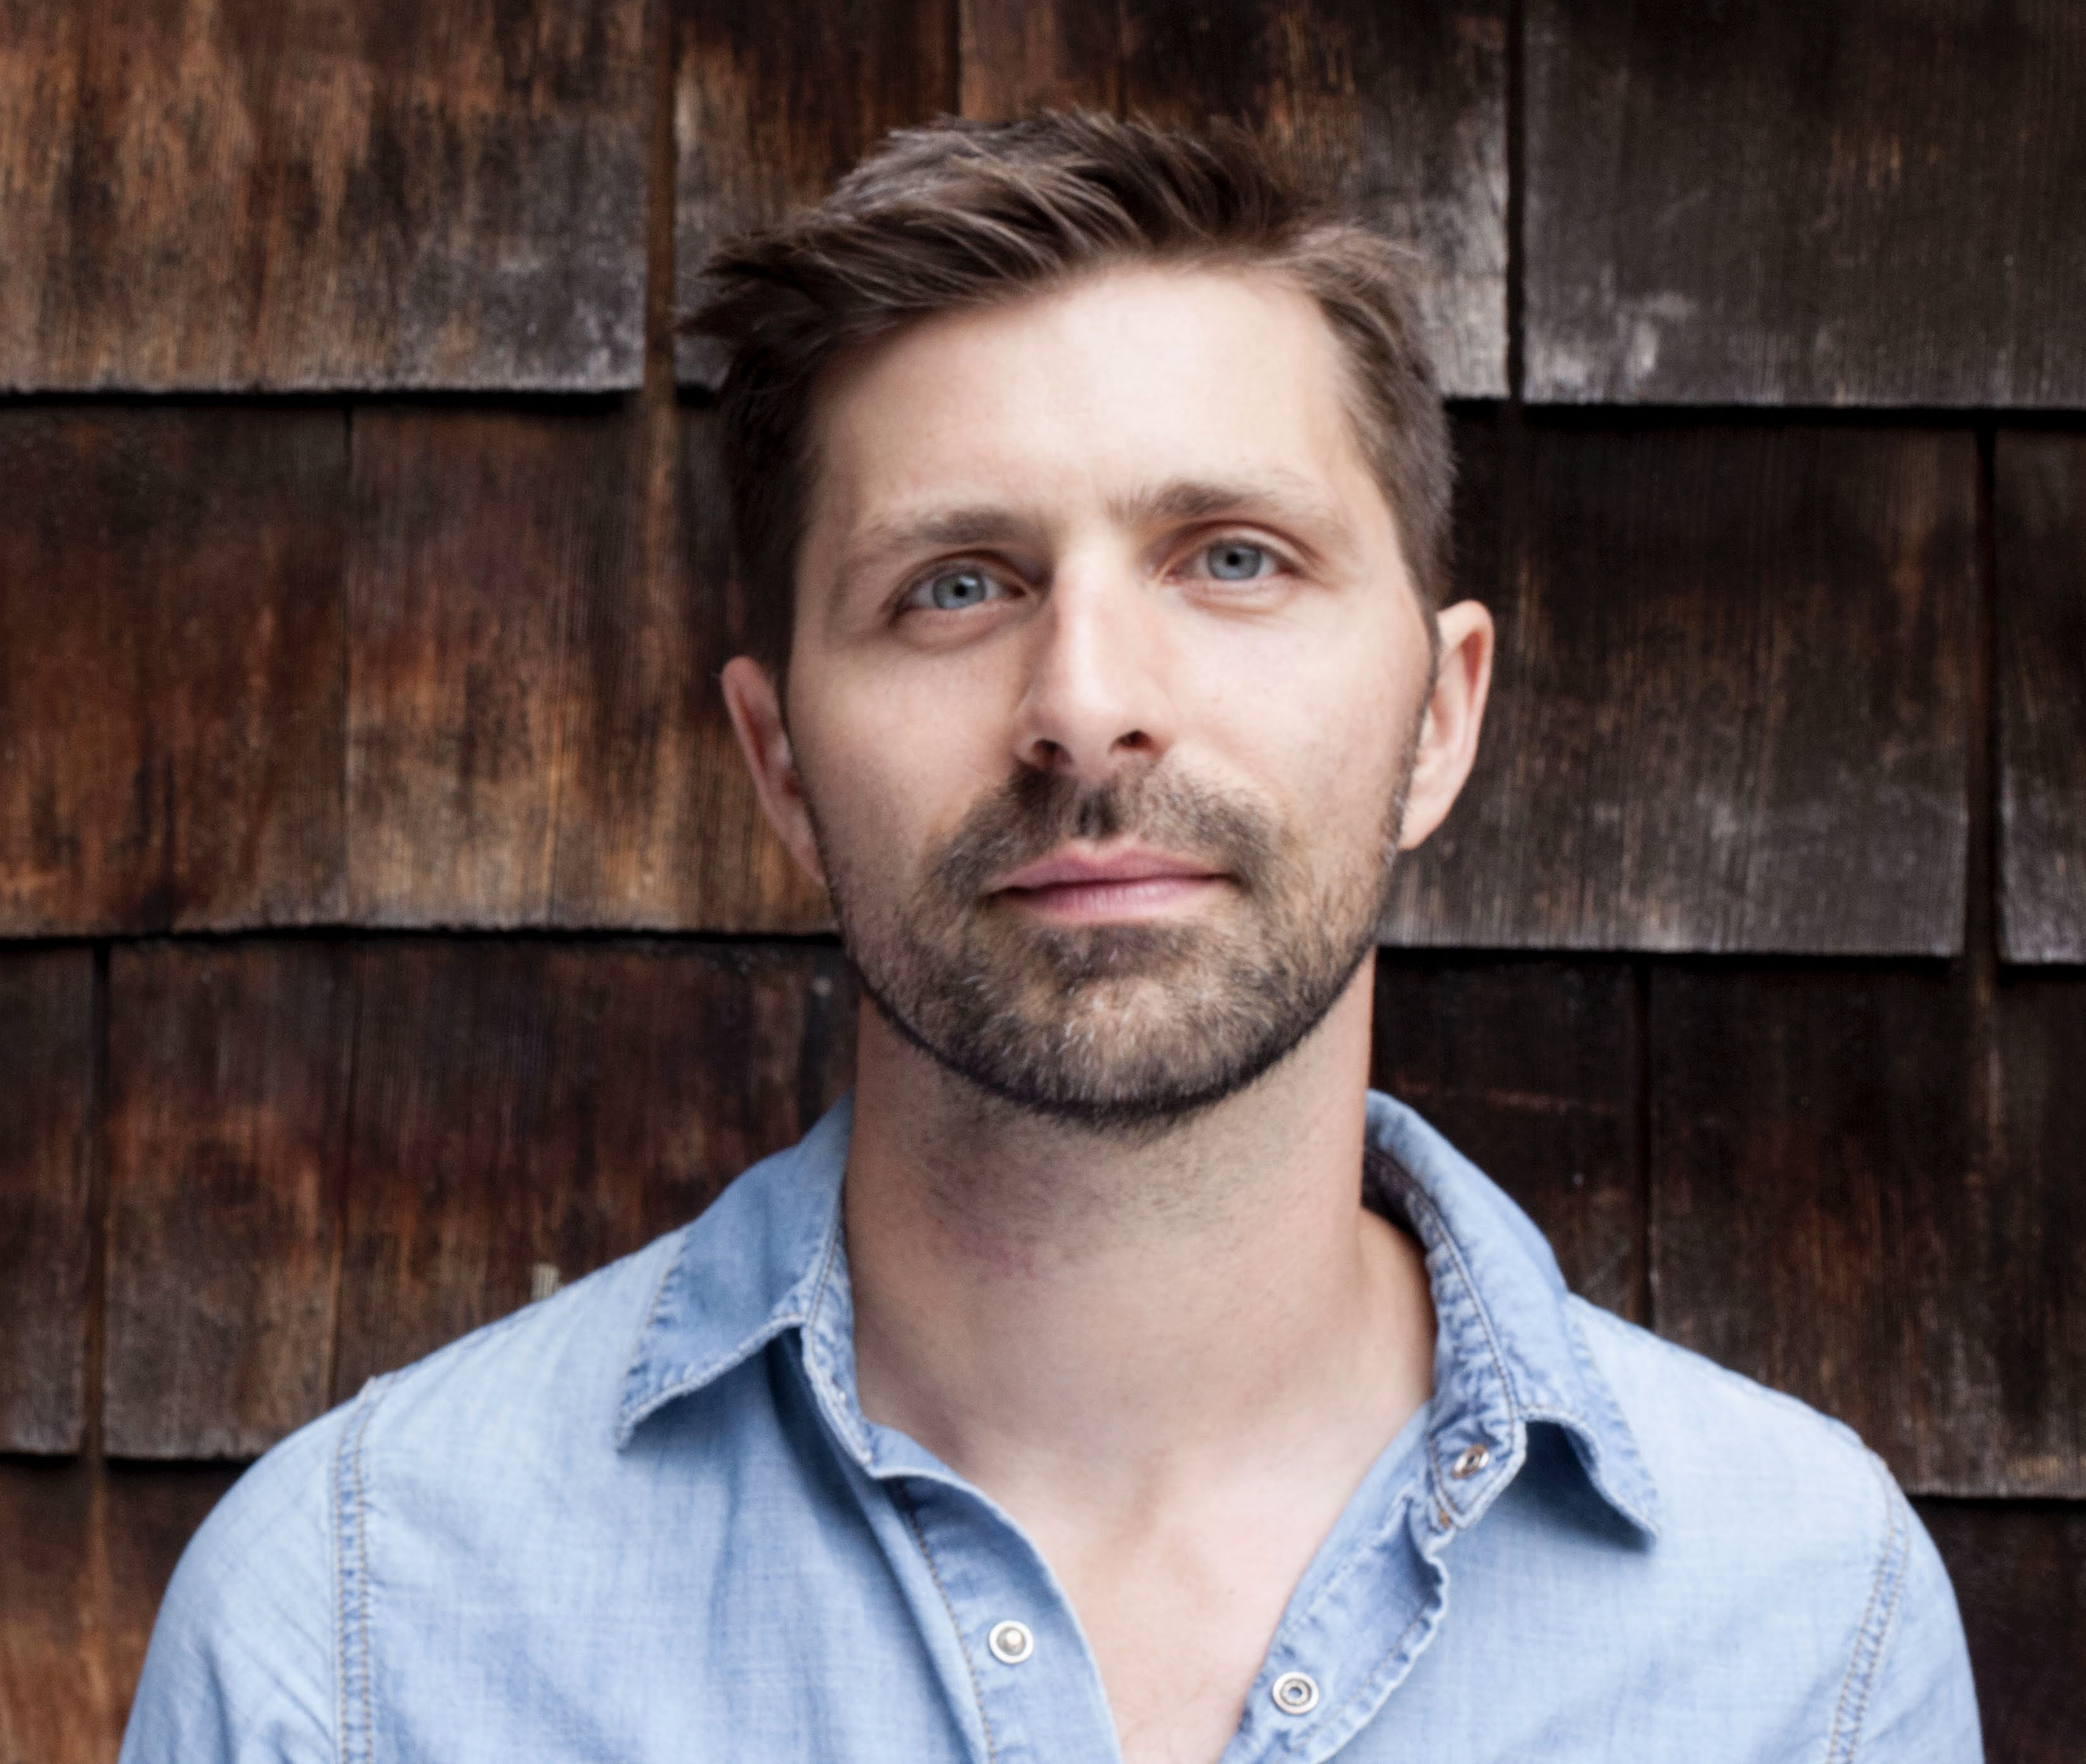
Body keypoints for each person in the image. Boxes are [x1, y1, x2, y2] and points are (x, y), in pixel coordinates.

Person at [122, 111, 1979, 1763]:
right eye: (955, 586)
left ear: (1438, 713)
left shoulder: (1805, 1633)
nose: (1085, 706)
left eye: (1230, 556)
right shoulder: (357, 1640)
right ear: (777, 763)